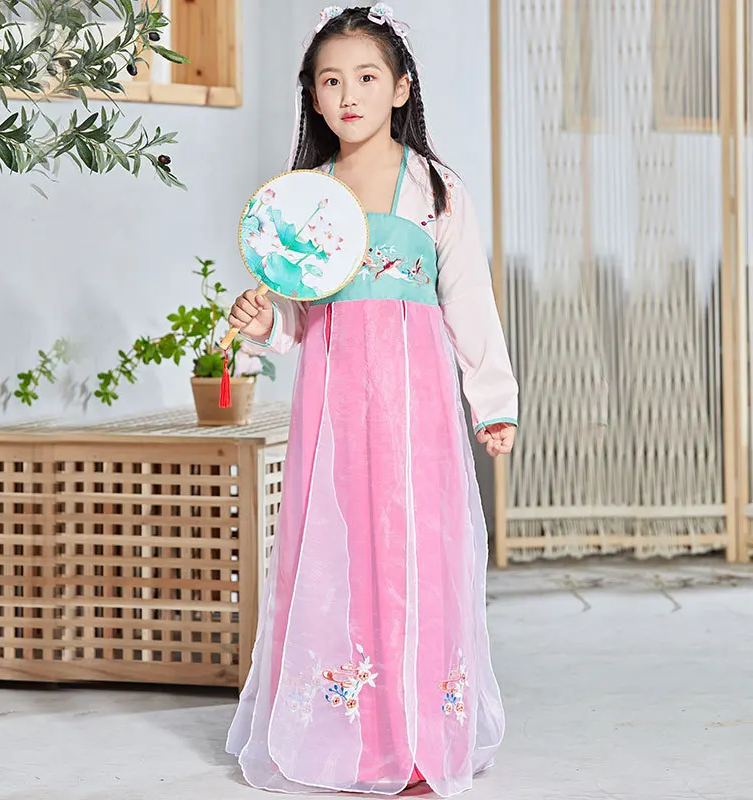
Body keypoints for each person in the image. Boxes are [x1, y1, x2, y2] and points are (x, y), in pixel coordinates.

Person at [225, 5, 518, 796]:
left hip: (417, 408)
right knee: (341, 551)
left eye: (365, 76)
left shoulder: (436, 189)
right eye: (330, 81)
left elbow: (469, 300)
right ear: (313, 97)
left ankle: (421, 734)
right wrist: (261, 321)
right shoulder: (303, 198)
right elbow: (295, 316)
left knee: (417, 549)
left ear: (400, 87)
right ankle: (348, 732)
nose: (348, 94)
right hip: (333, 406)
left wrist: (493, 401)